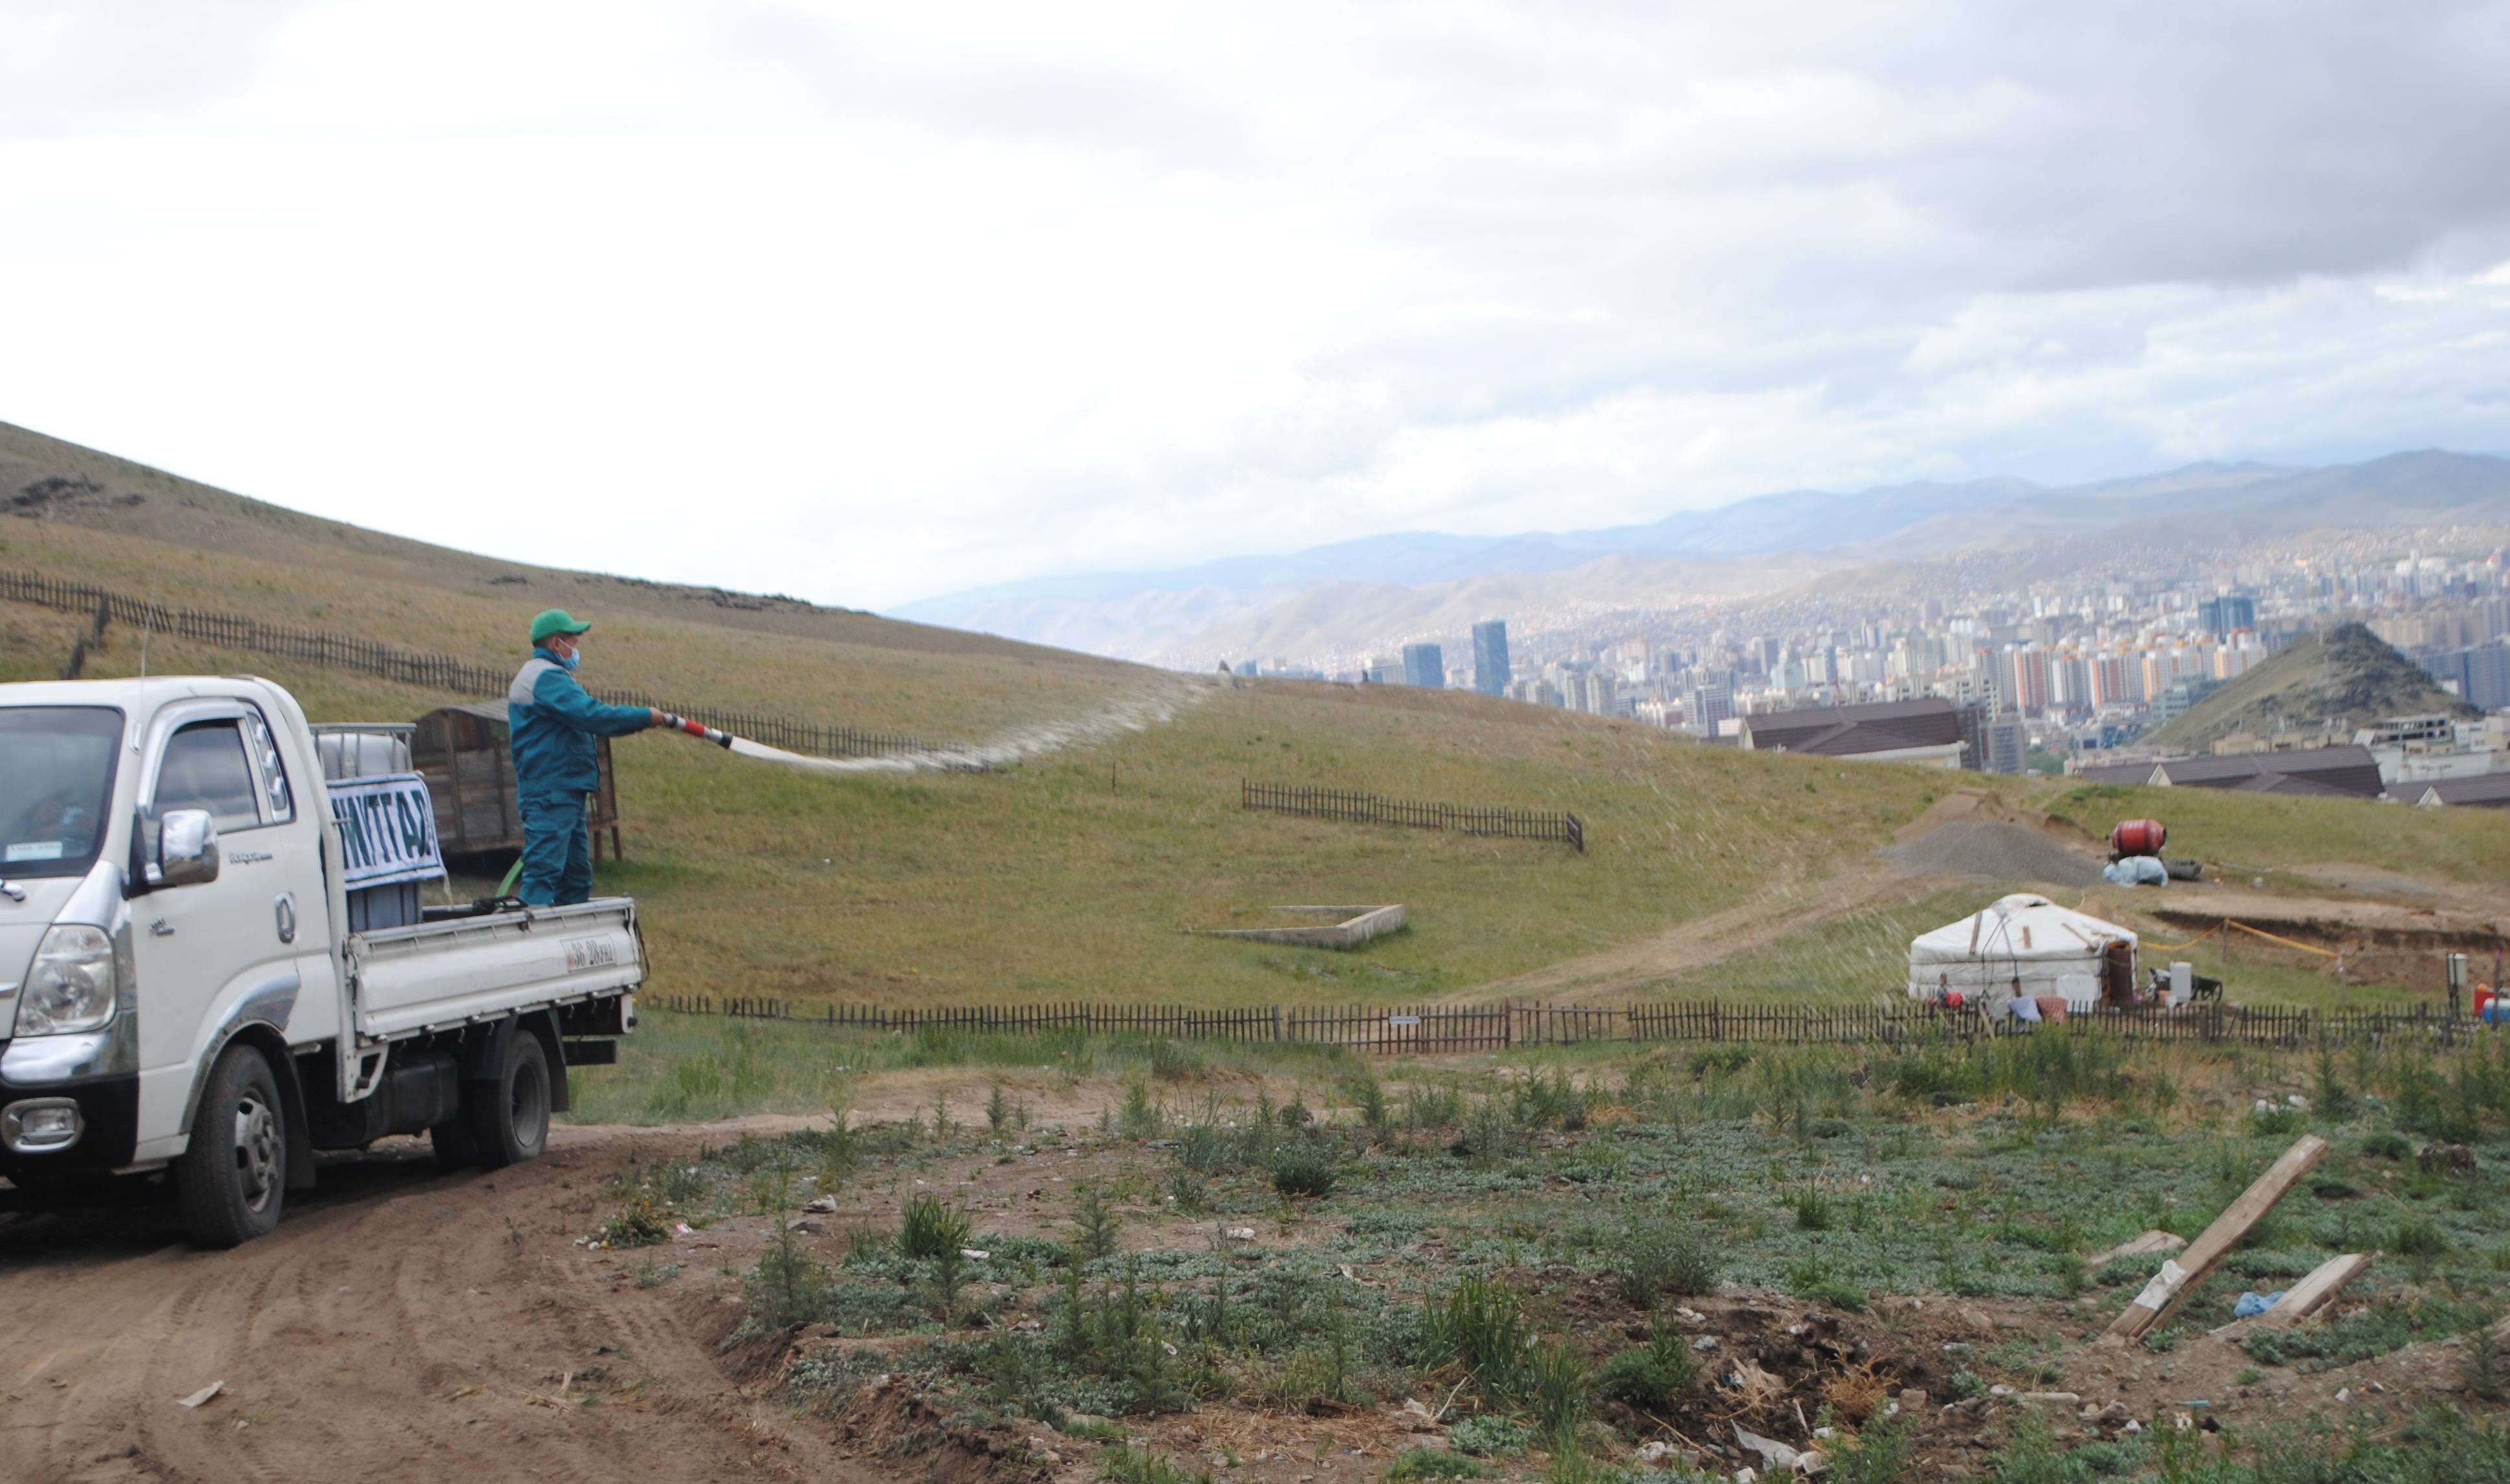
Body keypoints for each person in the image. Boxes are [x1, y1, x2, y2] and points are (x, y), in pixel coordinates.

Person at [508, 608, 665, 906]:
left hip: (565, 789)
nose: (575, 650)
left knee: (576, 876)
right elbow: (593, 716)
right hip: (551, 791)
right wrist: (645, 717)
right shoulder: (546, 678)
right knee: (544, 873)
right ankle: (536, 942)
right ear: (557, 644)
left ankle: (570, 942)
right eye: (573, 642)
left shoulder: (547, 676)